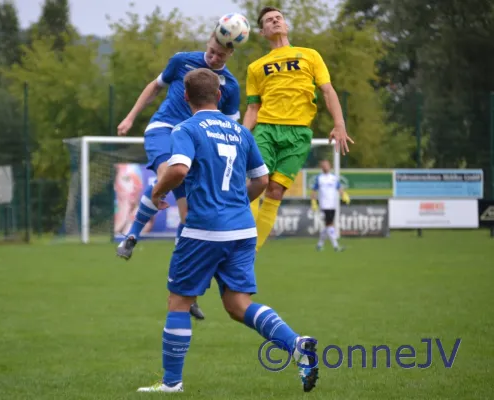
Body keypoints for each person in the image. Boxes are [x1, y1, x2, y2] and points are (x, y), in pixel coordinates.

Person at [136, 68, 319, 394]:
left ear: (185, 97)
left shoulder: (186, 128)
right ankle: (296, 345)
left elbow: (178, 168)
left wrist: (157, 192)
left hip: (204, 230)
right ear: (219, 96)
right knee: (237, 304)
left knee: (178, 302)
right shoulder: (240, 132)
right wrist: (235, 203)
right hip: (242, 231)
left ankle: (171, 384)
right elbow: (262, 181)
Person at [115, 32, 241, 320]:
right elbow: (155, 86)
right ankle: (132, 234)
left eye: (220, 55)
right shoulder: (182, 61)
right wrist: (131, 116)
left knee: (189, 219)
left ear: (230, 54)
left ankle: (186, 290)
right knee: (167, 173)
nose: (213, 57)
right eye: (211, 50)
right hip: (163, 129)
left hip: (194, 143)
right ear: (208, 41)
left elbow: (228, 127)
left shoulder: (230, 86)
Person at [242, 6, 354, 252]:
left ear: (286, 25)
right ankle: (236, 236)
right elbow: (253, 108)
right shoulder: (256, 67)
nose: (275, 22)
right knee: (257, 180)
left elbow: (327, 90)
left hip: (299, 134)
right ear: (263, 32)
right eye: (269, 21)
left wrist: (339, 124)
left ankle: (249, 253)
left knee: (275, 190)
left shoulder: (310, 55)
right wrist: (241, 134)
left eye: (278, 18)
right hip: (267, 129)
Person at [310, 160, 350, 251]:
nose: (325, 167)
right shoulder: (319, 178)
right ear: (321, 167)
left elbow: (339, 188)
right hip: (324, 205)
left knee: (328, 225)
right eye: (323, 166)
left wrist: (344, 195)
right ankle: (336, 246)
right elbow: (313, 191)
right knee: (329, 224)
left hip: (333, 205)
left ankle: (320, 245)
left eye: (327, 165)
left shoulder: (334, 178)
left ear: (330, 166)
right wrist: (313, 202)